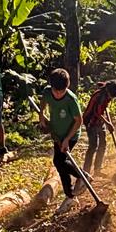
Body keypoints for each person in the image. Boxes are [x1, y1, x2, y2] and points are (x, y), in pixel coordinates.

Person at [38, 68, 83, 212]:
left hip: (70, 135)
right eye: (55, 91)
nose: (58, 94)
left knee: (59, 161)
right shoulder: (47, 92)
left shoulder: (71, 99)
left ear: (67, 86)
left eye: (61, 91)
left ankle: (82, 176)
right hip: (57, 133)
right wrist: (41, 116)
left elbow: (79, 121)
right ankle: (70, 196)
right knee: (61, 165)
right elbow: (43, 103)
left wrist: (67, 140)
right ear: (51, 86)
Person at [82, 80, 116, 174]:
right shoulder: (100, 96)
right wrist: (108, 123)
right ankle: (86, 171)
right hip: (91, 121)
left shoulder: (107, 92)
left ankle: (97, 169)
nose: (112, 98)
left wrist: (106, 121)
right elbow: (97, 112)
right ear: (109, 91)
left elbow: (102, 110)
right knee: (93, 146)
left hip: (99, 121)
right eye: (112, 96)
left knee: (103, 144)